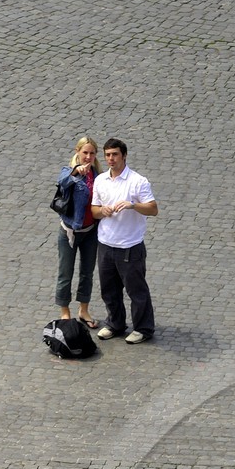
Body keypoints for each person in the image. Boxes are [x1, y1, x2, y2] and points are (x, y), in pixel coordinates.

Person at [92, 138, 157, 344]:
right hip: (105, 244)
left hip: (130, 246)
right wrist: (102, 211)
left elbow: (153, 209)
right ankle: (115, 323)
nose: (111, 159)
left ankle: (143, 328)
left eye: (115, 155)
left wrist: (132, 205)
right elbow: (94, 210)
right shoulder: (101, 180)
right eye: (108, 155)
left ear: (124, 156)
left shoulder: (138, 181)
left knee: (136, 291)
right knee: (108, 290)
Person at [54, 135, 100, 328]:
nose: (88, 157)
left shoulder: (98, 175)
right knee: (66, 272)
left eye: (91, 153)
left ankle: (84, 310)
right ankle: (65, 311)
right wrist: (75, 172)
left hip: (90, 231)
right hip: (69, 232)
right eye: (85, 152)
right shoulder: (69, 171)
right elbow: (62, 181)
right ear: (78, 152)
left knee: (87, 273)